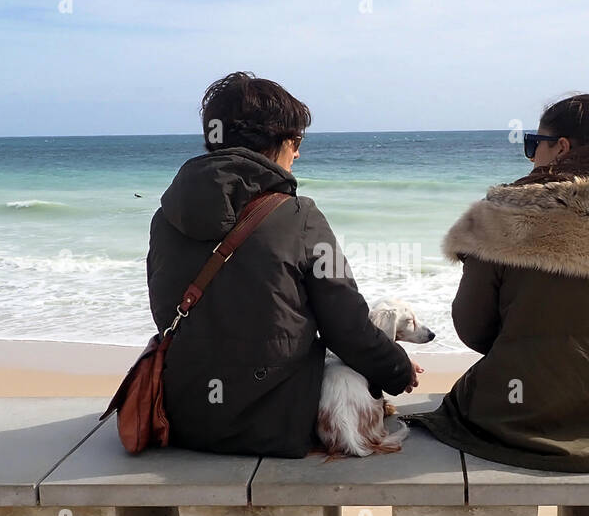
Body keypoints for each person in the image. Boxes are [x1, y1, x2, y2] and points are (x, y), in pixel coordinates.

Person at [407, 93, 589, 472]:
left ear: (561, 148)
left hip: (520, 409)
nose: (531, 154)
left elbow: (473, 330)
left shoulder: (501, 217)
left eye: (533, 144)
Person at [147, 71, 418, 457]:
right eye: (296, 141)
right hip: (276, 425)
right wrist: (398, 369)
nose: (298, 152)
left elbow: (164, 311)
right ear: (275, 141)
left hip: (182, 419)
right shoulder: (299, 215)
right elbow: (347, 329)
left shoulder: (165, 217)